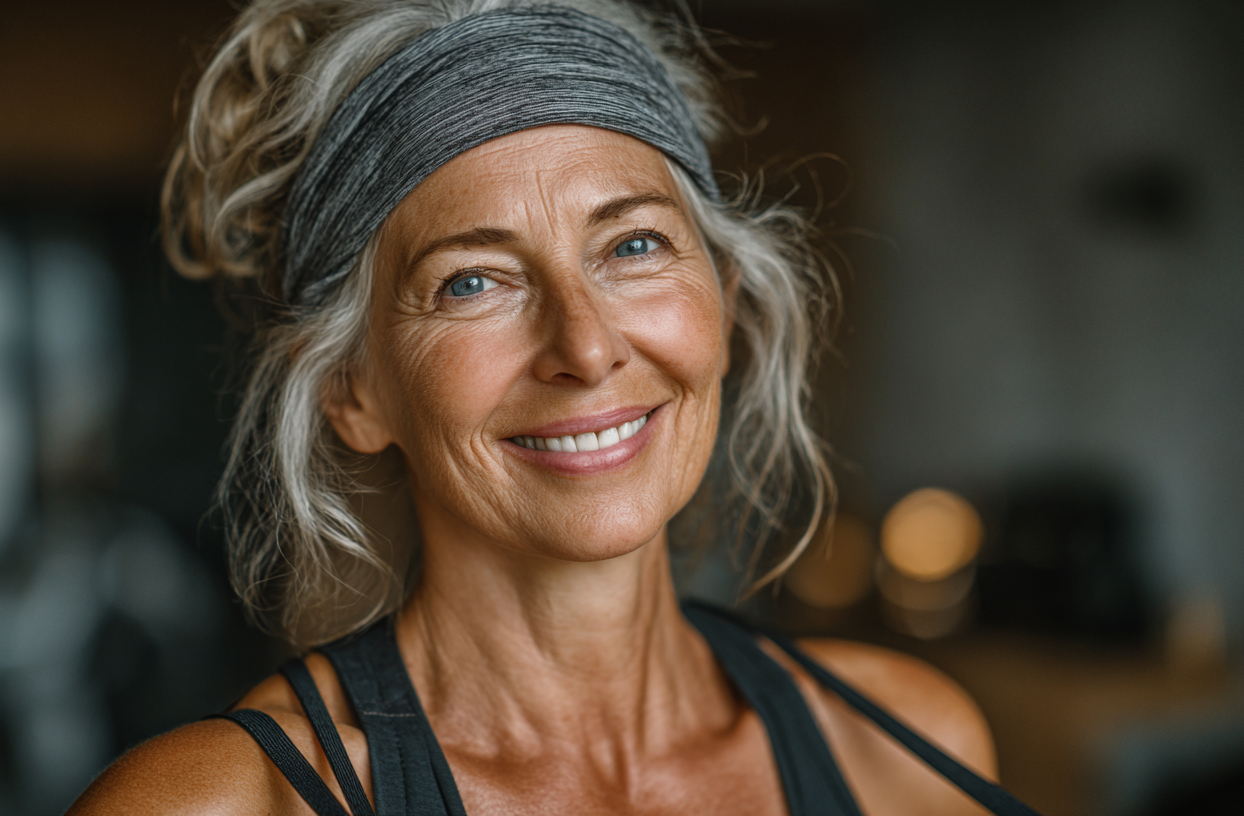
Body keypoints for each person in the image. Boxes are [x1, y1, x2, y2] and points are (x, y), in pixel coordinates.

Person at [70, 1, 1037, 814]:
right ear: (352, 390)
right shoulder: (220, 803)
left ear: (727, 305)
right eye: (471, 284)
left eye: (633, 247)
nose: (584, 346)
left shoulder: (903, 747)